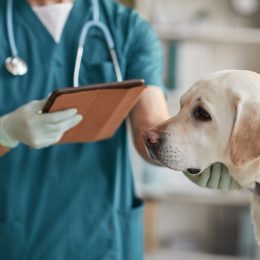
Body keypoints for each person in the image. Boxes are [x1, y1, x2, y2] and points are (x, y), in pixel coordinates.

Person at [0, 0, 238, 259]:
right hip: (17, 233)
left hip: (103, 234)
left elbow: (149, 125)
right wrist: (6, 132)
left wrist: (184, 154)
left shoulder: (127, 29)